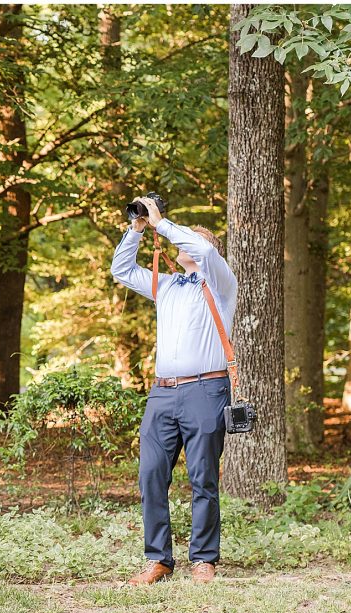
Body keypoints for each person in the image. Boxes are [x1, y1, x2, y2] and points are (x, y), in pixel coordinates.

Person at [110, 196, 238, 585]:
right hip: (162, 393)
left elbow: (200, 246)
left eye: (188, 239)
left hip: (207, 389)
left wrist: (162, 222)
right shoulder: (166, 286)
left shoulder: (219, 282)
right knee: (150, 473)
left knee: (203, 477)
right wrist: (136, 228)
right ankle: (158, 560)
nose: (181, 245)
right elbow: (121, 269)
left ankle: (203, 560)